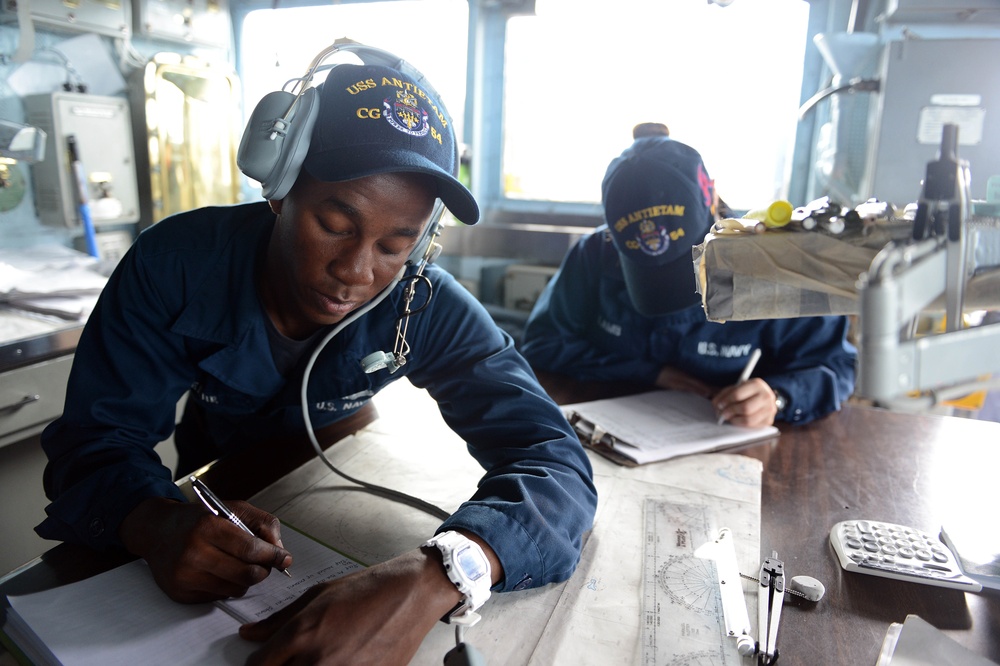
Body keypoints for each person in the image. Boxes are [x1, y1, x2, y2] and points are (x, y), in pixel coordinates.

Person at [36, 52, 597, 665]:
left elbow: (554, 461)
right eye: (334, 223)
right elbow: (96, 441)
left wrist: (440, 576)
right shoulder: (175, 265)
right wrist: (150, 520)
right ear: (280, 187)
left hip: (337, 463)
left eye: (394, 244)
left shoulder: (424, 301)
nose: (356, 272)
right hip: (219, 474)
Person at [521, 129, 857, 427]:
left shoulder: (776, 264)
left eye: (684, 263)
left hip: (736, 444)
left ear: (711, 199)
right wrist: (651, 373)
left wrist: (779, 397)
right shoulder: (594, 254)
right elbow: (543, 342)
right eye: (643, 268)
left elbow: (837, 368)